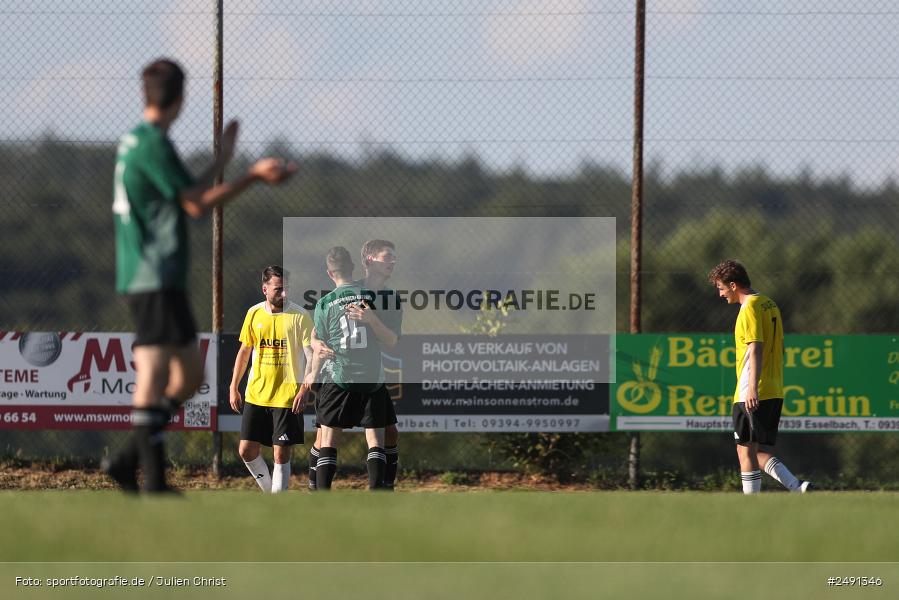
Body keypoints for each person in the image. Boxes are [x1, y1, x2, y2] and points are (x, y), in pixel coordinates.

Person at [104, 58, 296, 493]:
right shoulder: (152, 143)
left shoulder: (139, 140)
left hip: (148, 274)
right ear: (180, 98)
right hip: (153, 274)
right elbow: (195, 204)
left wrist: (222, 160)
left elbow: (185, 190)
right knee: (156, 374)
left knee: (189, 376)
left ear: (145, 93)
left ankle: (128, 461)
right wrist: (252, 176)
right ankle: (150, 478)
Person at [708, 260, 812, 494]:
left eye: (721, 288)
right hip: (773, 387)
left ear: (733, 285)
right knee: (752, 449)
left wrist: (752, 388)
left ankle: (752, 502)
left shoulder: (749, 308)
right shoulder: (769, 303)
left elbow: (755, 347)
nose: (720, 294)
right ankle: (797, 486)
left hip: (753, 388)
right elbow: (780, 346)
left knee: (744, 450)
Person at [307, 240, 402, 490]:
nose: (393, 261)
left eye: (394, 257)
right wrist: (315, 343)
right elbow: (316, 336)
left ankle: (378, 488)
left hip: (355, 373)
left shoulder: (385, 297)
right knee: (361, 436)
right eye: (387, 257)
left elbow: (392, 340)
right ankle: (321, 488)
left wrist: (372, 320)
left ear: (331, 273)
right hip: (358, 374)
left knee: (382, 432)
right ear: (367, 261)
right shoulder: (366, 293)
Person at [229, 266, 313, 493]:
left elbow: (311, 357)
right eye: (278, 289)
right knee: (246, 451)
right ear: (265, 289)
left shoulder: (300, 316)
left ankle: (278, 502)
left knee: (280, 453)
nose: (284, 293)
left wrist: (305, 389)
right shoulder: (254, 313)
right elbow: (244, 351)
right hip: (256, 394)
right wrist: (234, 386)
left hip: (287, 397)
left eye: (287, 288)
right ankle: (270, 495)